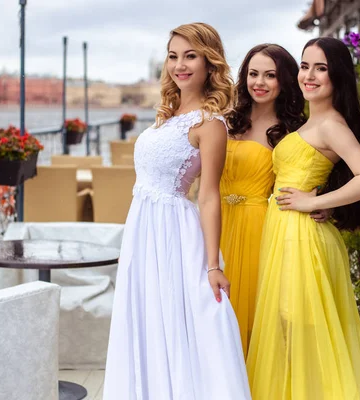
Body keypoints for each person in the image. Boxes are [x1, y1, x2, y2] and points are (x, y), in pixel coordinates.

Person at [103, 22, 250, 400]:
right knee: (147, 322)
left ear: (209, 63)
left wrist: (212, 266)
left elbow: (208, 195)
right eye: (173, 56)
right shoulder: (167, 113)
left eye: (190, 56)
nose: (179, 65)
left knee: (184, 321)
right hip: (143, 231)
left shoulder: (210, 124)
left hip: (173, 234)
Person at [246, 37, 360, 399]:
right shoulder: (315, 121)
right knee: (290, 335)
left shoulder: (331, 125)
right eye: (305, 66)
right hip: (286, 233)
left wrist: (315, 202)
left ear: (337, 76)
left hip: (301, 238)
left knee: (301, 333)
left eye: (320, 68)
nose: (309, 75)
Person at [221, 43, 329, 357]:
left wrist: (322, 200)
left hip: (259, 227)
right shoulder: (226, 120)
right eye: (253, 74)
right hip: (214, 223)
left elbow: (318, 170)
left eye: (270, 75)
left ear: (284, 80)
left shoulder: (292, 130)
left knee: (255, 315)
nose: (260, 82)